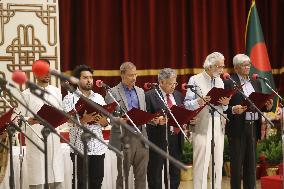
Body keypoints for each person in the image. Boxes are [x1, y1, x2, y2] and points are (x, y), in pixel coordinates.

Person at [224, 54, 273, 189]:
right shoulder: (229, 82)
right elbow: (222, 107)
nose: (247, 67)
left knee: (251, 165)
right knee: (237, 166)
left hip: (253, 126)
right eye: (244, 65)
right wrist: (233, 109)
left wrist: (266, 106)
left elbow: (257, 103)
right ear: (236, 67)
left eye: (248, 64)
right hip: (238, 128)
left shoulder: (255, 81)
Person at [184, 52, 230, 189]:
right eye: (219, 66)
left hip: (218, 125)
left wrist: (226, 102)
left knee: (217, 162)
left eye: (222, 66)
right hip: (202, 125)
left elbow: (224, 106)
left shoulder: (220, 81)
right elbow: (187, 103)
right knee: (201, 163)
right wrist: (199, 101)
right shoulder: (195, 79)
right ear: (210, 66)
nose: (222, 70)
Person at [17, 59, 64, 189]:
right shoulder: (26, 94)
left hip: (54, 142)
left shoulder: (56, 92)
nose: (47, 74)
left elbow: (61, 114)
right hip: (36, 142)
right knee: (38, 182)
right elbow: (18, 118)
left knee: (56, 181)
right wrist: (29, 120)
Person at [146, 68, 194, 189]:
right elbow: (145, 118)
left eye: (175, 83)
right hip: (158, 140)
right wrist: (156, 121)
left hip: (176, 139)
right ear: (161, 82)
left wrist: (188, 120)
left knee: (174, 172)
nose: (173, 86)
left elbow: (181, 114)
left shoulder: (178, 95)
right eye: (170, 83)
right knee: (155, 173)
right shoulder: (150, 96)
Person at [62, 65, 108, 189]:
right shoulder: (69, 98)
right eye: (85, 78)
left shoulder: (98, 97)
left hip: (98, 147)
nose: (89, 80)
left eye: (91, 77)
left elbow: (106, 121)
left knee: (96, 182)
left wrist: (104, 121)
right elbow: (68, 121)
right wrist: (83, 120)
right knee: (80, 183)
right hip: (79, 148)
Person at [105, 62, 148, 189]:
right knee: (123, 176)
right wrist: (118, 120)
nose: (134, 78)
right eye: (130, 75)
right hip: (123, 137)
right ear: (122, 75)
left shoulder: (140, 91)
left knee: (141, 176)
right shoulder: (112, 92)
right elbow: (107, 117)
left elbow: (143, 113)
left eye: (135, 74)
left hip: (141, 137)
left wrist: (153, 120)